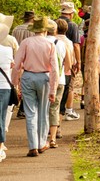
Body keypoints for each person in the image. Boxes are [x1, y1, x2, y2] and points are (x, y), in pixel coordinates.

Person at [11, 16, 59, 157]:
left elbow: (17, 64)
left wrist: (15, 83)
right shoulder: (50, 44)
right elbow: (55, 69)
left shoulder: (26, 42)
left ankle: (32, 146)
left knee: (30, 112)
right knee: (43, 110)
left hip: (28, 76)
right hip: (44, 77)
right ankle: (41, 143)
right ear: (45, 30)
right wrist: (53, 89)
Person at [46, 19, 71, 148]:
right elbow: (68, 64)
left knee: (43, 108)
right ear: (55, 30)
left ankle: (42, 136)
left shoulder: (42, 42)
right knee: (55, 108)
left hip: (44, 79)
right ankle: (53, 138)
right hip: (60, 80)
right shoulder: (61, 44)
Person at [58, 2, 81, 120]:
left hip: (55, 59)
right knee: (69, 85)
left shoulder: (54, 23)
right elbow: (76, 45)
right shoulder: (72, 25)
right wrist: (78, 61)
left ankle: (58, 109)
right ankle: (68, 110)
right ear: (71, 14)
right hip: (68, 59)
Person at [12, 11, 35, 119]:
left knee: (16, 83)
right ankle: (22, 109)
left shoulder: (16, 29)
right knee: (27, 85)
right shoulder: (33, 30)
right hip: (28, 60)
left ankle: (13, 105)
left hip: (16, 58)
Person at [55, 18, 74, 138]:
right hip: (65, 74)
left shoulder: (50, 40)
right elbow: (70, 61)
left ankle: (50, 126)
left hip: (51, 74)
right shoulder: (68, 42)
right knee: (61, 102)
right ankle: (58, 127)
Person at [0, 24, 13, 162]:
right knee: (1, 117)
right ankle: (1, 145)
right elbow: (12, 65)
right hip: (4, 86)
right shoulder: (8, 50)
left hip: (3, 86)